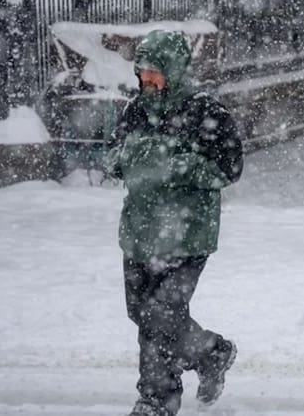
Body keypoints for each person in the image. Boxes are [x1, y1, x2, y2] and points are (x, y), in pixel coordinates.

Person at [105, 29, 244, 416]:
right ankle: (212, 354)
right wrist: (135, 158)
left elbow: (229, 169)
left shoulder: (206, 112)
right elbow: (111, 159)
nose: (146, 78)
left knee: (160, 314)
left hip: (187, 234)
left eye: (155, 71)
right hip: (139, 232)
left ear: (175, 69)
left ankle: (156, 399)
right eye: (142, 71)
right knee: (143, 313)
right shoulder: (135, 110)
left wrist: (178, 165)